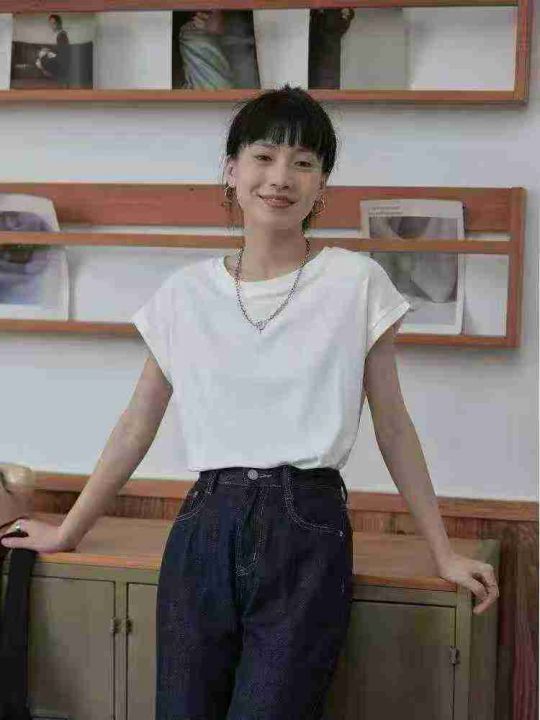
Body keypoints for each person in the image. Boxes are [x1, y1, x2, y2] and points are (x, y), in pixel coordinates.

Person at [1, 85, 499, 718]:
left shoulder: (356, 281)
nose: (280, 177)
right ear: (231, 170)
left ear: (323, 185)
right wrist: (69, 529)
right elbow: (135, 427)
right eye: (264, 156)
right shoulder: (184, 294)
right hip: (204, 524)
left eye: (303, 163)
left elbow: (394, 427)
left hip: (307, 527)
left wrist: (443, 551)